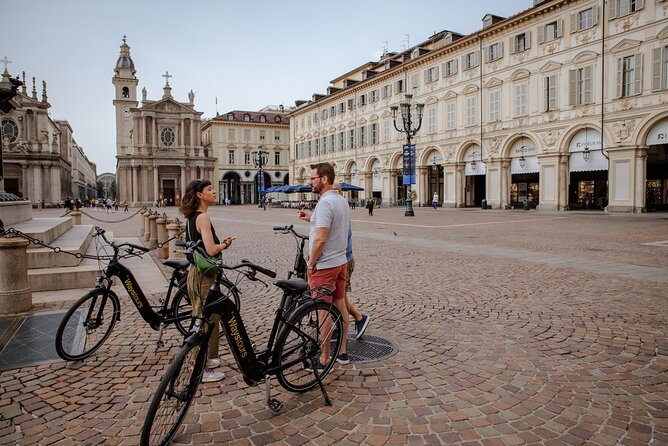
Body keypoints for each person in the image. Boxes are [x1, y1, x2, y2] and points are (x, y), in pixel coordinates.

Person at [180, 179, 236, 383]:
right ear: (199, 195)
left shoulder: (191, 217)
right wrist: (224, 245)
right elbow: (211, 250)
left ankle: (207, 359)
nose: (214, 192)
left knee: (208, 317)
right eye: (209, 189)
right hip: (203, 275)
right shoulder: (202, 217)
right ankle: (199, 367)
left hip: (197, 272)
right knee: (204, 321)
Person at [298, 163, 351, 368]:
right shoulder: (340, 200)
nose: (310, 182)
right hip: (340, 262)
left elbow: (320, 240)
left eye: (313, 178)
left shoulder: (324, 203)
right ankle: (343, 352)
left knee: (323, 311)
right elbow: (334, 224)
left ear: (324, 179)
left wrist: (311, 264)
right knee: (340, 306)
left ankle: (325, 358)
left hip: (325, 265)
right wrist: (312, 219)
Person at [332, 183, 370, 341]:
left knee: (339, 297)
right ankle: (353, 320)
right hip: (343, 258)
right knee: (339, 296)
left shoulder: (339, 207)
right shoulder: (340, 206)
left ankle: (358, 318)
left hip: (344, 260)